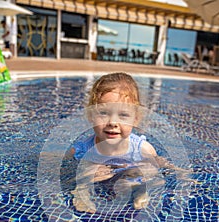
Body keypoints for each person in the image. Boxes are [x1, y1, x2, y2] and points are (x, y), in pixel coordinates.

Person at [69, 72, 179, 213]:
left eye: (123, 115)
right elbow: (60, 165)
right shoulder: (82, 149)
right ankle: (81, 193)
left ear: (136, 119)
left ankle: (140, 193)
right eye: (103, 113)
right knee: (86, 170)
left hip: (129, 178)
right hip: (97, 178)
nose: (113, 123)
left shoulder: (142, 148)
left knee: (149, 170)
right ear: (91, 115)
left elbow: (162, 164)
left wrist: (179, 173)